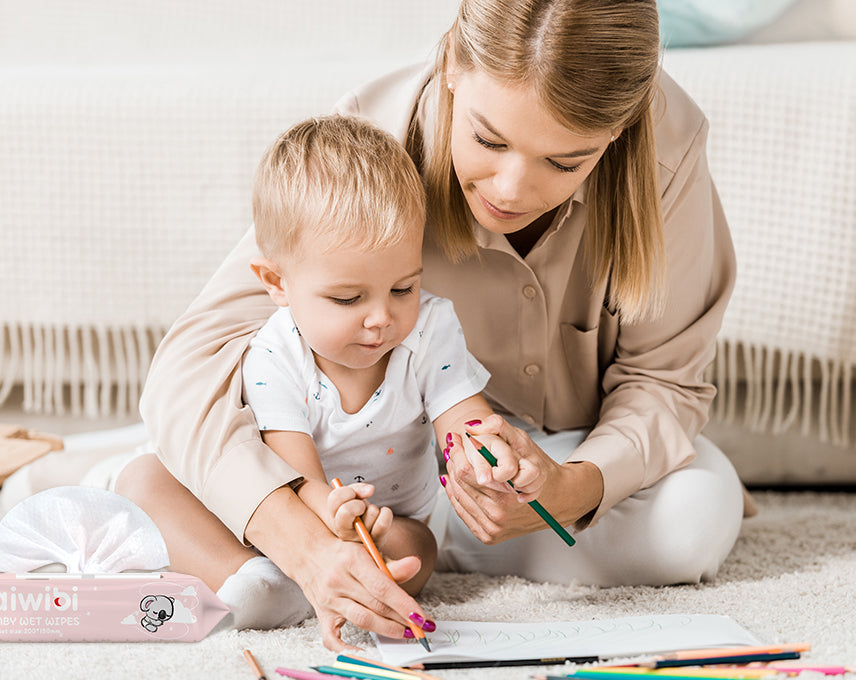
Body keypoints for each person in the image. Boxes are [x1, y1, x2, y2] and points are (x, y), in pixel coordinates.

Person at [118, 0, 747, 652]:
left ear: (618, 131)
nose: (511, 188)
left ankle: (422, 546)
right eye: (488, 139)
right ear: (451, 65)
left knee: (696, 512)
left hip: (537, 463)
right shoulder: (368, 145)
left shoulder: (666, 146)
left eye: (563, 163)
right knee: (174, 457)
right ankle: (353, 550)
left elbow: (664, 384)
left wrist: (568, 491)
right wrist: (304, 544)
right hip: (363, 469)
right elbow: (191, 365)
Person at [240, 115, 503, 600]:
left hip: (400, 518)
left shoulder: (429, 325)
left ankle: (299, 586)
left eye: (403, 287)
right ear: (278, 283)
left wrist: (488, 455)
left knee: (416, 553)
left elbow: (463, 418)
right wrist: (332, 509)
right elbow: (295, 478)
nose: (382, 317)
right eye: (348, 299)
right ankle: (271, 582)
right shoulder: (273, 356)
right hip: (308, 512)